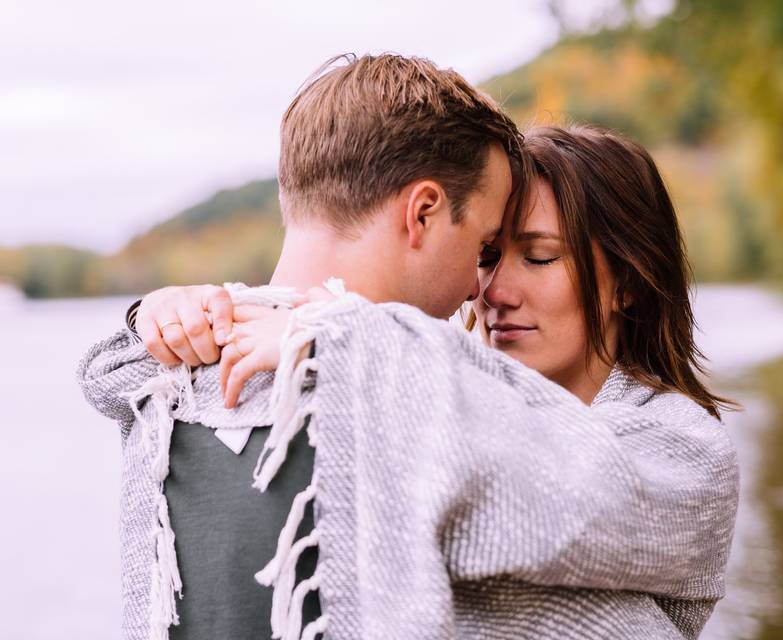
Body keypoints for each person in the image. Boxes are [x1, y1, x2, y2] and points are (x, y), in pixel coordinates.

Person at [89, 124, 739, 638]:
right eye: (486, 256)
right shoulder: (420, 391)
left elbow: (551, 490)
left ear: (625, 280)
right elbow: (116, 379)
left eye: (539, 257)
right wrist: (177, 317)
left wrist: (346, 338)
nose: (495, 292)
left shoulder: (685, 454)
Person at [78, 52, 524, 640]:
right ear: (422, 213)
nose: (478, 285)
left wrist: (149, 317)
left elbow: (102, 372)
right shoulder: (431, 396)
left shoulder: (160, 373)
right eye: (485, 246)